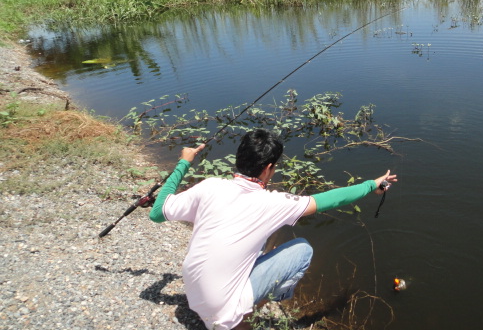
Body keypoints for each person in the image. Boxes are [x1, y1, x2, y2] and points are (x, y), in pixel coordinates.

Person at [149, 129, 397, 330]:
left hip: (193, 296)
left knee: (260, 246)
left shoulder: (210, 186)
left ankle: (239, 305)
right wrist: (371, 185)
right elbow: (329, 199)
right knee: (301, 250)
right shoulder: (272, 203)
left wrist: (183, 162)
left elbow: (157, 212)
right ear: (268, 168)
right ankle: (260, 307)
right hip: (220, 313)